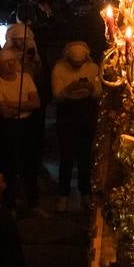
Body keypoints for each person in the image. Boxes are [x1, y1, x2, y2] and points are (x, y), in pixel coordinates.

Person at [0, 50, 44, 215]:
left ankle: (34, 203)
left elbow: (36, 103)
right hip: (9, 127)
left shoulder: (25, 78)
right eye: (7, 62)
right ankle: (10, 206)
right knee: (10, 166)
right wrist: (23, 104)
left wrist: (12, 104)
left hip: (28, 126)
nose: (11, 64)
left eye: (13, 61)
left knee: (30, 165)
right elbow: (4, 112)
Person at [51, 41, 100, 212]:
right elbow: (56, 96)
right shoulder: (59, 69)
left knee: (85, 155)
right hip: (67, 112)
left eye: (80, 63)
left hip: (86, 111)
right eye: (74, 63)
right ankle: (63, 194)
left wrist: (90, 88)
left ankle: (85, 192)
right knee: (66, 155)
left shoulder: (93, 68)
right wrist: (69, 89)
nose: (77, 66)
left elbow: (99, 93)